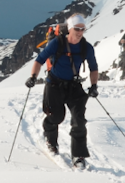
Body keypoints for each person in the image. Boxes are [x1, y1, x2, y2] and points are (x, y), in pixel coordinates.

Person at [27, 13, 99, 169]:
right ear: (70, 29)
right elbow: (39, 60)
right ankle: (50, 138)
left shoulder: (86, 47)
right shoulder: (56, 43)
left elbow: (94, 68)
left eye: (83, 29)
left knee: (79, 120)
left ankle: (78, 155)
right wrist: (33, 77)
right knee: (56, 117)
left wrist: (94, 86)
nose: (80, 32)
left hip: (73, 86)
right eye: (77, 29)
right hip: (54, 85)